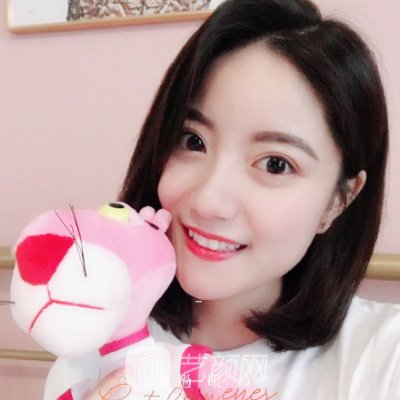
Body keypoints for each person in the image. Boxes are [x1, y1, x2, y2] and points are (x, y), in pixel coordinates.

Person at [83, 0, 399, 398]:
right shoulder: (94, 328)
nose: (208, 201)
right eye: (192, 141)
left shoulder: (383, 358)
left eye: (275, 164)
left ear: (339, 199)